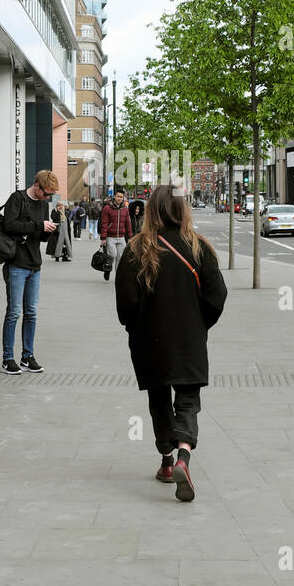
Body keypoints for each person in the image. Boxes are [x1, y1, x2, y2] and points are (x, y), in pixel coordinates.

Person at [115, 184, 228, 503]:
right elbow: (217, 296)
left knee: (159, 398)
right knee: (188, 401)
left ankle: (166, 461)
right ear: (182, 211)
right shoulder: (199, 247)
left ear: (151, 212)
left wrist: (136, 328)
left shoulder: (137, 248)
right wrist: (199, 323)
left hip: (149, 340)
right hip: (190, 339)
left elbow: (125, 301)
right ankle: (183, 456)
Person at [0, 169, 58, 374]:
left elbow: (38, 235)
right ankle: (8, 358)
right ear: (37, 186)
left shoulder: (43, 204)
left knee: (31, 312)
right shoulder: (17, 198)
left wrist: (49, 231)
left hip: (35, 264)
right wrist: (38, 225)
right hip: (16, 263)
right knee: (14, 312)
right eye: (47, 193)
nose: (48, 197)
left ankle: (27, 356)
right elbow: (10, 225)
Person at [99, 189, 133, 282]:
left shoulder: (125, 209)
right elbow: (104, 223)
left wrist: (130, 237)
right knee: (113, 255)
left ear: (123, 198)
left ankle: (118, 276)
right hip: (111, 237)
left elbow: (128, 223)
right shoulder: (107, 208)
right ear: (114, 196)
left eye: (121, 197)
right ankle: (108, 270)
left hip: (121, 237)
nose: (119, 198)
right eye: (118, 196)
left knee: (120, 257)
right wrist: (103, 238)